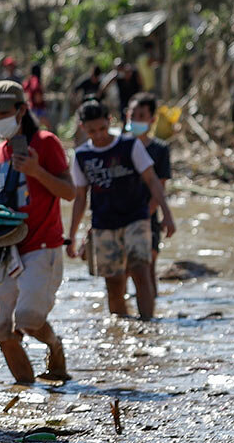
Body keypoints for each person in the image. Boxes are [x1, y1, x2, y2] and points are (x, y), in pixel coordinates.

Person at [0, 81, 77, 384]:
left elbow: (69, 192)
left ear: (22, 110)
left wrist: (37, 171)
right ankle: (25, 392)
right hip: (8, 252)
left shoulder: (46, 143)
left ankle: (53, 345)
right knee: (1, 331)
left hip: (42, 245)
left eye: (4, 113)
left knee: (29, 319)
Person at [66, 100, 176, 320]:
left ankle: (147, 325)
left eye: (102, 129)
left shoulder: (129, 146)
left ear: (110, 121)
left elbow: (152, 181)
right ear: (82, 128)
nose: (98, 135)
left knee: (141, 272)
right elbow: (80, 198)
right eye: (92, 131)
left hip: (136, 218)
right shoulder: (81, 156)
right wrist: (71, 236)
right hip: (104, 224)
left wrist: (167, 214)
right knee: (114, 282)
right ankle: (121, 329)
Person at [127, 92, 172, 299]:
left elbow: (159, 187)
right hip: (120, 215)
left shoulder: (159, 150)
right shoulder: (120, 145)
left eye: (141, 115)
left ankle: (151, 322)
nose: (135, 119)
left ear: (151, 119)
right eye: (132, 114)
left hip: (147, 216)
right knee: (122, 271)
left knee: (148, 269)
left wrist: (146, 215)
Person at [22, 63, 48, 128]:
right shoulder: (35, 80)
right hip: (37, 108)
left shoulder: (29, 79)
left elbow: (24, 88)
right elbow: (37, 93)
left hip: (32, 107)